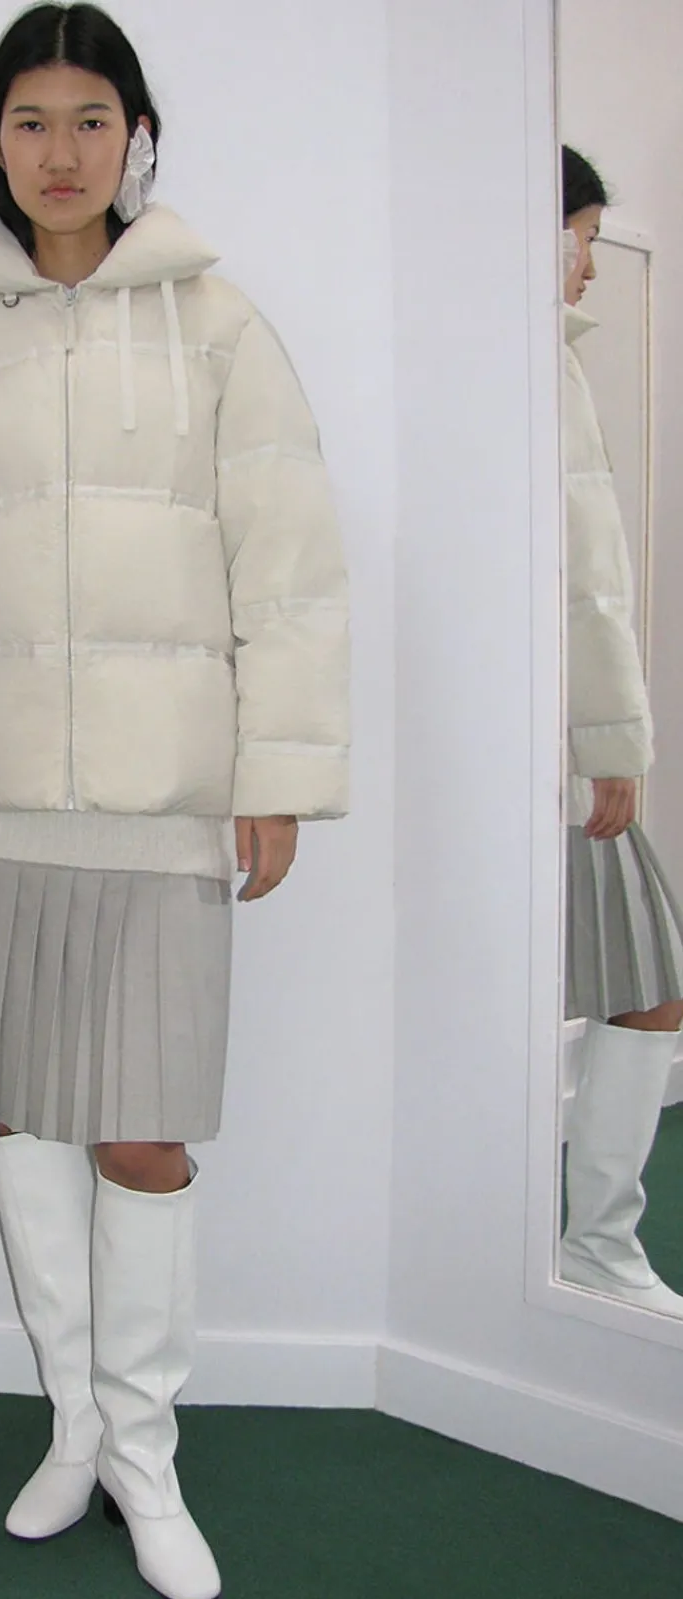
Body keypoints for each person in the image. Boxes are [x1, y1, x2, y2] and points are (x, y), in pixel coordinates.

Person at [0, 7, 350, 1595]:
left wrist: (279, 776)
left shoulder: (220, 328)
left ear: (137, 137)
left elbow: (291, 573)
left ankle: (145, 1444)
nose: (61, 151)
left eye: (92, 119)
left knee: (141, 1129)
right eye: (32, 120)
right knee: (22, 1108)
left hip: (163, 803)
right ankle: (72, 1422)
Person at [559, 144, 683, 1316]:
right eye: (585, 236)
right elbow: (586, 588)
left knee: (645, 983)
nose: (591, 264)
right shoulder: (537, 371)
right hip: (554, 755)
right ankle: (598, 1243)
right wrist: (612, 746)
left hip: (544, 746)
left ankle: (596, 1241)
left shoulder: (546, 362)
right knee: (650, 984)